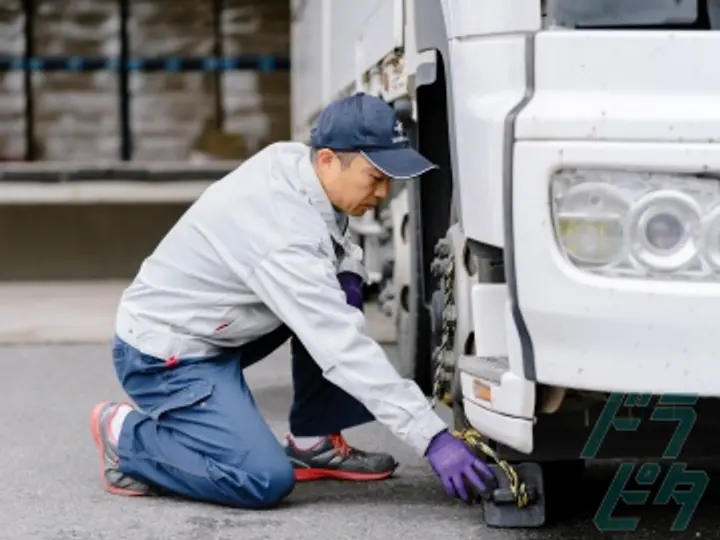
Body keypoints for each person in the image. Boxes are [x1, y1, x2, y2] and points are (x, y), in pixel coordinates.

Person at [90, 92, 496, 509]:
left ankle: (312, 441)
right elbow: (340, 346)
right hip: (165, 356)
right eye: (374, 178)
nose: (383, 192)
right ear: (327, 160)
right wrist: (433, 438)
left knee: (339, 289)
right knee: (261, 479)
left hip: (219, 327)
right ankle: (125, 436)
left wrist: (349, 277)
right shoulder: (280, 230)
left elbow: (332, 249)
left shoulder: (298, 167)